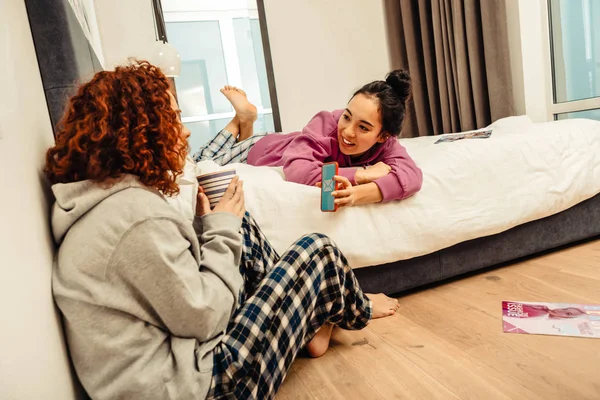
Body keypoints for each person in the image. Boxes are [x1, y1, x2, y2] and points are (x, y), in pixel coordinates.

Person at [45, 61, 400, 400]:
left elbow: (182, 300)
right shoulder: (134, 218)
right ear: (140, 132)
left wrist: (221, 225)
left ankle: (315, 322)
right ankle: (356, 310)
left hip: (176, 362)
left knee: (238, 223)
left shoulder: (109, 199)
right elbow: (205, 318)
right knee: (317, 249)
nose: (183, 131)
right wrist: (221, 227)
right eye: (174, 119)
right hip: (203, 384)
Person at [193, 70, 423, 208]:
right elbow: (298, 170)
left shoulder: (388, 144)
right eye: (347, 116)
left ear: (383, 135)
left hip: (275, 145)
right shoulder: (326, 123)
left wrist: (359, 194)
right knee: (200, 160)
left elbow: (412, 177)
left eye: (363, 127)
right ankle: (240, 121)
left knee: (205, 158)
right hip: (260, 149)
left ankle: (244, 121)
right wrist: (362, 175)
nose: (348, 131)